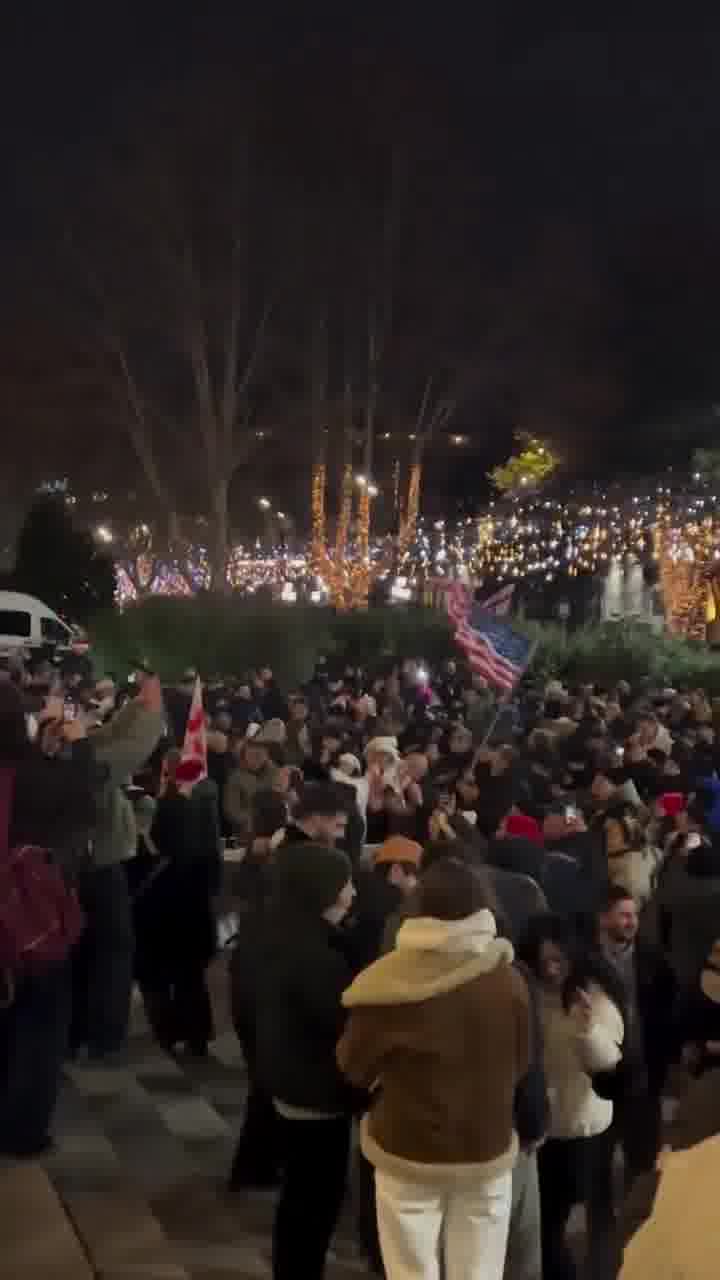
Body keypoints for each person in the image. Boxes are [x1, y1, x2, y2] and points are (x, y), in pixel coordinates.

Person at [338, 858, 530, 1280]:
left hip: (409, 1145)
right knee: (480, 1271)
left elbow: (352, 1067)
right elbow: (521, 1063)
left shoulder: (385, 985)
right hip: (486, 1144)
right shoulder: (508, 981)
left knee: (410, 1269)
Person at [0, 683, 99, 1156]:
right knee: (39, 1026)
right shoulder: (38, 775)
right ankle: (23, 1131)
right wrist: (79, 743)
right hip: (32, 924)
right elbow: (84, 802)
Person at [252, 842, 358, 1280]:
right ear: (321, 891)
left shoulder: (274, 933)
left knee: (299, 1193)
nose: (352, 892)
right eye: (345, 884)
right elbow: (341, 1023)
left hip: (285, 1081)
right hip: (315, 1092)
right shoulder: (315, 957)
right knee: (315, 1199)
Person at [518, 914, 625, 1280]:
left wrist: (588, 1029)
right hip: (536, 1130)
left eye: (558, 960)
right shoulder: (526, 992)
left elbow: (608, 1063)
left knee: (553, 1229)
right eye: (543, 960)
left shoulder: (594, 997)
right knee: (545, 1230)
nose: (551, 969)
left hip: (579, 1129)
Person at [70, 674, 164, 1062]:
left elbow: (109, 736)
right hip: (95, 866)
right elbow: (129, 749)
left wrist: (138, 705)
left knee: (79, 951)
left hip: (80, 864)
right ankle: (102, 1037)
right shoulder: (77, 763)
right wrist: (153, 710)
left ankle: (75, 1033)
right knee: (111, 952)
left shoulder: (68, 753)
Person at [130, 756, 219, 1057]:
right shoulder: (206, 812)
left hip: (159, 906)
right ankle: (197, 1036)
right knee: (191, 975)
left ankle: (166, 1035)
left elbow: (142, 858)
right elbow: (212, 863)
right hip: (193, 905)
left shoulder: (160, 809)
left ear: (167, 774)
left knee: (155, 976)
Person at [223, 729, 277, 839]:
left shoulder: (275, 773)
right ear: (244, 753)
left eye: (260, 753)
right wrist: (253, 818)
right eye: (252, 753)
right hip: (247, 832)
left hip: (275, 829)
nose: (257, 757)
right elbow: (232, 810)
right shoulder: (235, 777)